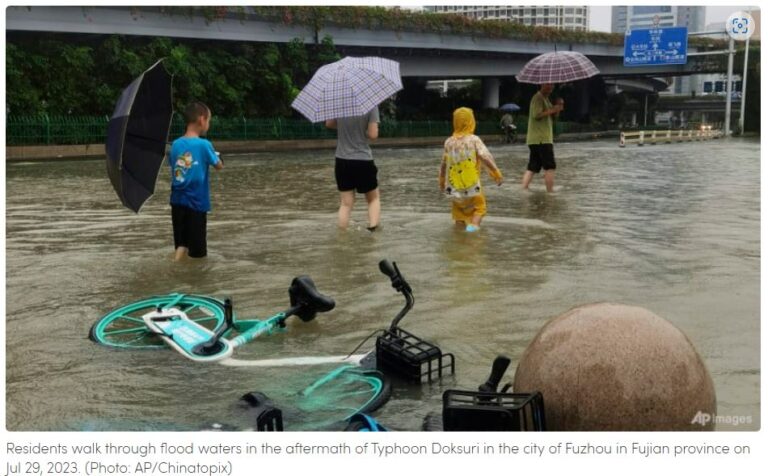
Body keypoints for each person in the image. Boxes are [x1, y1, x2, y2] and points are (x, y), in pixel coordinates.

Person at [168, 102, 223, 260]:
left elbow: (175, 166)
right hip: (196, 204)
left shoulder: (176, 144)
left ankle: (175, 266)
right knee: (198, 254)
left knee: (181, 244)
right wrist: (217, 155)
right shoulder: (204, 145)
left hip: (177, 202)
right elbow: (219, 165)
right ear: (201, 119)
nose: (208, 124)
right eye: (209, 121)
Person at [438, 107, 503, 232]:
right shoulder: (474, 140)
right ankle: (471, 233)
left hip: (453, 187)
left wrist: (441, 182)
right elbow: (486, 157)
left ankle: (459, 241)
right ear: (471, 122)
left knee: (459, 214)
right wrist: (496, 174)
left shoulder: (448, 142)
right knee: (479, 209)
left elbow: (443, 165)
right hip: (472, 186)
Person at [325, 107, 381, 231]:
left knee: (346, 203)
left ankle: (342, 237)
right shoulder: (371, 105)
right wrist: (362, 130)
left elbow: (329, 124)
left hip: (342, 160)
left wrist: (346, 127)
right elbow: (373, 135)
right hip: (363, 160)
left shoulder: (338, 102)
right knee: (373, 199)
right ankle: (373, 232)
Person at [522, 83, 563, 193]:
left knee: (533, 167)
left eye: (552, 85)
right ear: (541, 85)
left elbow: (552, 117)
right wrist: (553, 110)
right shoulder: (538, 98)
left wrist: (558, 108)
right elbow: (537, 115)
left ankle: (524, 189)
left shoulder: (546, 99)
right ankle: (550, 192)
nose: (551, 87)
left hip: (537, 139)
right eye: (548, 85)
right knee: (550, 167)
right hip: (542, 139)